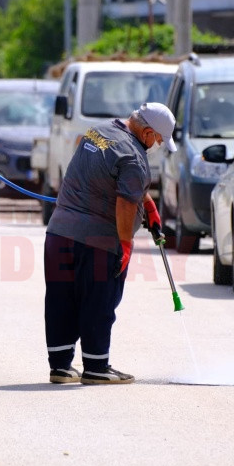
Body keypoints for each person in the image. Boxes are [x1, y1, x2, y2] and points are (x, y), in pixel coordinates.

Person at [43, 102, 176, 384]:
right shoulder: (134, 157)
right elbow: (126, 202)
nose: (157, 145)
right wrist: (126, 245)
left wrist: (148, 206)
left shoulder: (97, 132)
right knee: (98, 302)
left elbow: (111, 180)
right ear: (149, 133)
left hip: (58, 234)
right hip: (97, 242)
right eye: (160, 140)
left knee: (60, 300)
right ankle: (96, 367)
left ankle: (61, 366)